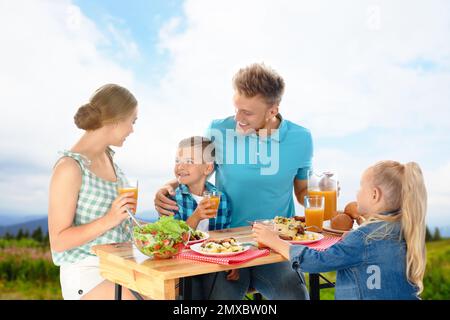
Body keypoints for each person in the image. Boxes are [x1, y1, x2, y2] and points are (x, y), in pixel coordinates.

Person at [154, 63, 312, 300]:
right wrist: (170, 186)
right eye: (236, 108)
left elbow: (303, 192)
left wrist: (321, 198)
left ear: (272, 110)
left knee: (296, 297)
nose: (238, 118)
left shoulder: (301, 138)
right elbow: (200, 170)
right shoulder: (218, 130)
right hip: (226, 244)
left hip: (273, 245)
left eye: (247, 112)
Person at [254, 160, 427, 299]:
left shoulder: (363, 239)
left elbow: (315, 261)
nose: (357, 193)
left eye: (361, 187)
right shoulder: (406, 229)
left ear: (374, 195)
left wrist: (274, 241)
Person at [48, 84, 140, 300]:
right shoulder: (69, 167)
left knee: (173, 294)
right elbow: (59, 241)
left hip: (120, 265)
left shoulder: (109, 158)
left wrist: (155, 227)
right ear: (116, 120)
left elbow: (122, 220)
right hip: (87, 274)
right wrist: (109, 219)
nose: (132, 130)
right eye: (132, 121)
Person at [172, 136, 231, 232]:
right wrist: (196, 216)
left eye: (189, 161)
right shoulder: (171, 199)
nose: (180, 166)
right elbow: (174, 239)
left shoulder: (221, 199)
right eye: (177, 161)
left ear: (208, 168)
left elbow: (224, 234)